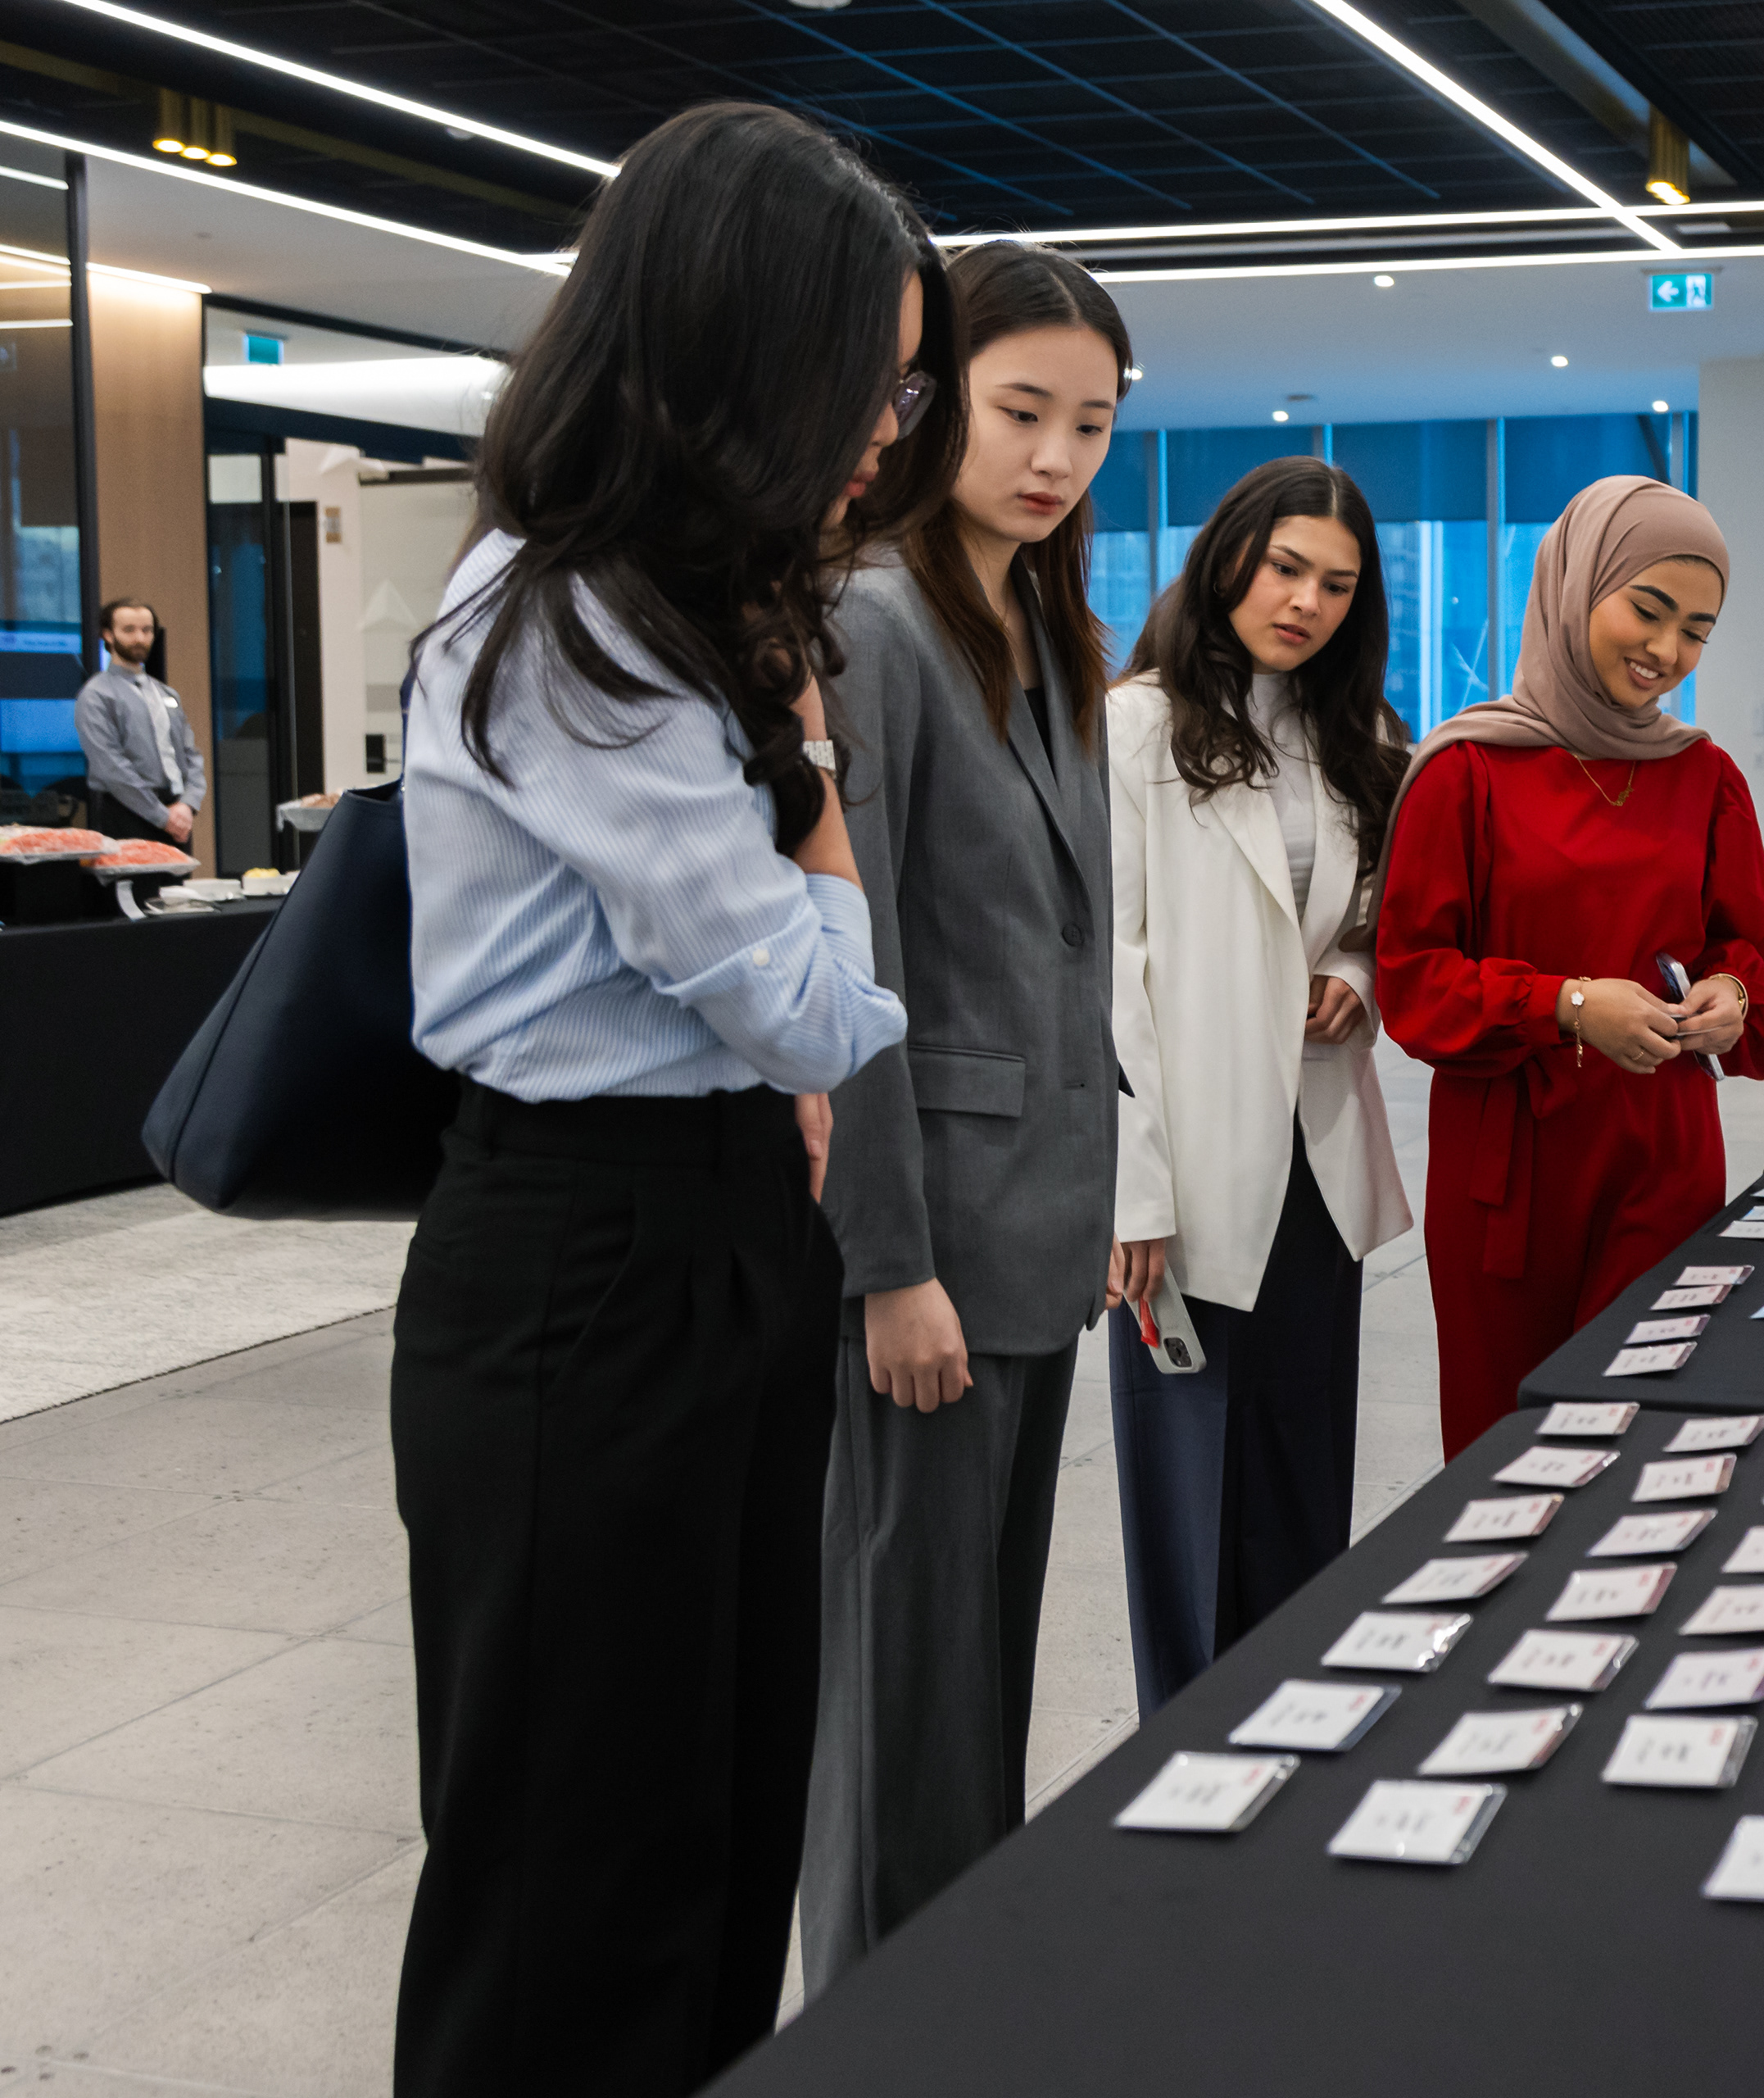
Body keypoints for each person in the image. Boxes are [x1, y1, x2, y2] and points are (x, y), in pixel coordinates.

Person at [388, 103, 954, 2098]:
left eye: (903, 385)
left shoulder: (684, 607)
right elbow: (812, 1009)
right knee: (574, 1878)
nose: (884, 427)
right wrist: (818, 780)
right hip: (585, 1250)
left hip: (711, 1230)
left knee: (716, 1831)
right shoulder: (573, 620)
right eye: (866, 378)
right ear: (733, 355)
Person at [800, 241, 1126, 1988]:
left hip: (1036, 1231)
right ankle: (875, 2021)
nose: (1055, 456)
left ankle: (959, 2001)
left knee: (977, 1677)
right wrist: (887, 1262)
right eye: (1020, 411)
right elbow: (855, 965)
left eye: (1091, 423)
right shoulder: (873, 619)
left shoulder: (1046, 627)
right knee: (902, 1696)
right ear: (934, 406)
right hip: (930, 1244)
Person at [1375, 475, 1764, 1458]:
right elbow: (1414, 980)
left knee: (1644, 1444)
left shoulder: (1705, 776)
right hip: (1512, 1175)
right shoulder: (1467, 770)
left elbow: (1749, 953)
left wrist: (1731, 995)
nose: (1666, 650)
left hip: (1661, 1155)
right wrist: (1562, 1004)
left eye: (1696, 631)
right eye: (1647, 609)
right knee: (1508, 1452)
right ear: (1575, 587)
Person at [1104, 457, 1413, 1712]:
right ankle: (1187, 1754)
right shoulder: (1134, 724)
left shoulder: (1361, 738)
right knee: (1191, 1495)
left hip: (1317, 1154)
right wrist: (1131, 1192)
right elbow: (1106, 966)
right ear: (1227, 554)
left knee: (1299, 1470)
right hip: (1187, 1163)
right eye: (1287, 568)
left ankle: (1295, 1735)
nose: (1306, 604)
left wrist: (1356, 975)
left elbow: (1371, 918)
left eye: (1337, 585)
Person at [73, 599, 203, 851]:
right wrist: (163, 817)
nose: (139, 638)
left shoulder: (167, 694)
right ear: (108, 635)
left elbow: (191, 755)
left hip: (178, 813)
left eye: (147, 630)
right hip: (126, 812)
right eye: (129, 630)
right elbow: (111, 767)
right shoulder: (96, 695)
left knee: (179, 879)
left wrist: (188, 804)